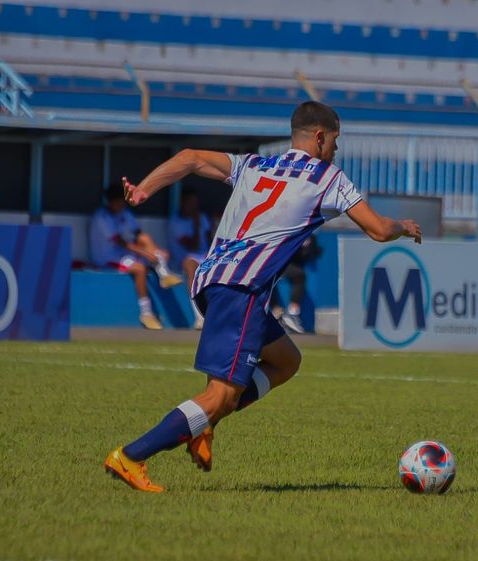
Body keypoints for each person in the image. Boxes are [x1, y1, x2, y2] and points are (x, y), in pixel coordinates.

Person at [104, 101, 422, 492]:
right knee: (219, 396)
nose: (336, 149)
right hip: (242, 289)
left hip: (211, 280)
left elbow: (188, 158)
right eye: (335, 140)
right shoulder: (328, 177)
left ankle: (205, 425)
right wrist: (403, 225)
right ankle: (132, 456)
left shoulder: (256, 165)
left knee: (286, 360)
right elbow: (377, 229)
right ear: (320, 137)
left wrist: (144, 190)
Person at [89, 183, 183, 330]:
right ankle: (146, 314)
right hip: (107, 259)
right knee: (140, 269)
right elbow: (120, 241)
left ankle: (164, 274)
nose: (122, 204)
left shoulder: (125, 213)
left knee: (145, 238)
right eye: (119, 201)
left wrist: (157, 251)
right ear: (111, 201)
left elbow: (138, 235)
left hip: (125, 254)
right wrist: (146, 254)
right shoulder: (101, 217)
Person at [168, 190, 214, 329]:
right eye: (190, 203)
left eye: (195, 203)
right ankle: (199, 316)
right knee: (191, 267)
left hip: (204, 255)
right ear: (182, 203)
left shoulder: (202, 218)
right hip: (185, 258)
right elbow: (193, 245)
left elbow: (209, 241)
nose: (194, 206)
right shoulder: (175, 222)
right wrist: (195, 225)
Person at [271, 234, 322, 334]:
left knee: (299, 275)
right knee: (268, 278)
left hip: (291, 265)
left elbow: (310, 253)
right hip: (277, 264)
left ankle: (292, 313)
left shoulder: (308, 235)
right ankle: (277, 311)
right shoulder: (286, 231)